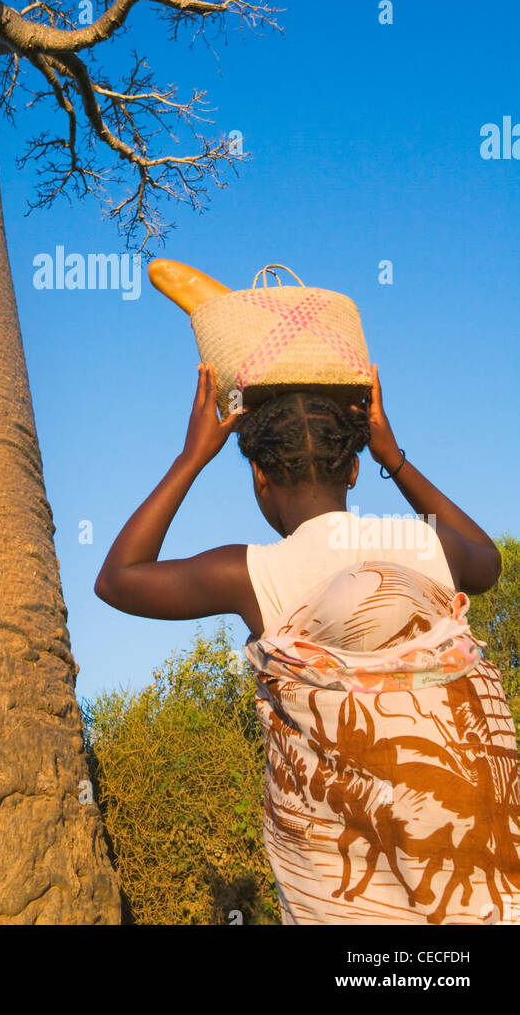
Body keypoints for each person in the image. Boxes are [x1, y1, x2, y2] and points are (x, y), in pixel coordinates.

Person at [94, 362, 520, 924]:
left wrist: (191, 457)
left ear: (259, 477)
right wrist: (394, 456)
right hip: (482, 882)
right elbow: (486, 561)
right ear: (354, 472)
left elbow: (117, 579)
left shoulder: (254, 574)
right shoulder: (429, 544)